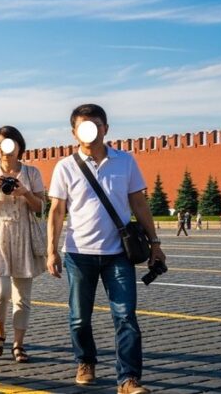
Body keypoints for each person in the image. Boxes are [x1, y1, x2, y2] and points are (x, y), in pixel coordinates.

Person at [47, 104, 164, 394]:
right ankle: (85, 361)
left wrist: (155, 243)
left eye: (96, 125)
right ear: (74, 132)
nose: (91, 130)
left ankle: (128, 379)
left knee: (126, 316)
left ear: (106, 129)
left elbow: (139, 203)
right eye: (83, 126)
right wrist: (51, 250)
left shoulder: (125, 161)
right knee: (79, 317)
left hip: (119, 254)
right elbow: (57, 211)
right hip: (78, 254)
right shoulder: (65, 166)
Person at [0, 126, 46, 363]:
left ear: (19, 146)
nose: (5, 150)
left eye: (9, 144)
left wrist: (25, 192)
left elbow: (40, 207)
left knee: (22, 297)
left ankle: (18, 343)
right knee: (0, 292)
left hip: (24, 235)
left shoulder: (32, 172)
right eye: (0, 145)